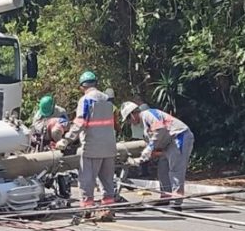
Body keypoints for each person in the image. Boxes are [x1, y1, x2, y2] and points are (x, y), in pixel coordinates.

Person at [56, 71, 117, 209]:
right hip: (109, 146)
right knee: (107, 181)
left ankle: (87, 208)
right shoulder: (107, 99)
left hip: (92, 147)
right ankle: (109, 207)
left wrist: (66, 140)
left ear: (82, 87)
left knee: (87, 180)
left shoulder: (86, 100)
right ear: (96, 83)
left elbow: (80, 122)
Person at [120, 102, 193, 207]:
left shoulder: (148, 114)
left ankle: (176, 201)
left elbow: (160, 129)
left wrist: (150, 147)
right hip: (168, 143)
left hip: (179, 137)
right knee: (163, 169)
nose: (129, 122)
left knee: (175, 170)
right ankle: (166, 196)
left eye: (128, 119)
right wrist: (145, 156)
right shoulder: (145, 127)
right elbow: (155, 142)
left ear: (132, 114)